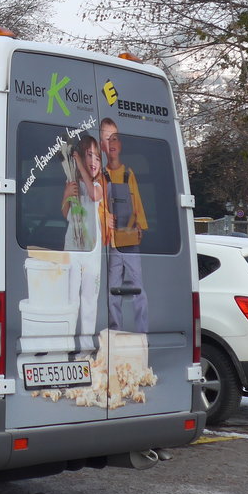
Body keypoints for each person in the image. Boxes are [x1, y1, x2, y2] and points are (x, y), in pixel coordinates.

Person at [100, 117, 149, 333]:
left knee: (138, 289)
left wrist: (141, 227)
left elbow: (137, 200)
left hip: (129, 241)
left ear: (119, 145)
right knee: (113, 291)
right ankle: (115, 332)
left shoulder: (129, 173)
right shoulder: (101, 175)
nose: (111, 144)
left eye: (115, 139)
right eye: (107, 139)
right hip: (112, 243)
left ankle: (142, 333)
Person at [61, 132, 105, 357]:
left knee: (89, 298)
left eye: (97, 157)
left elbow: (93, 195)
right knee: (71, 298)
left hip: (91, 250)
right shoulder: (72, 181)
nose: (94, 161)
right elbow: (65, 213)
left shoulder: (98, 184)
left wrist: (80, 163)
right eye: (89, 156)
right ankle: (67, 344)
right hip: (72, 248)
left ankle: (86, 348)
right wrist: (67, 194)